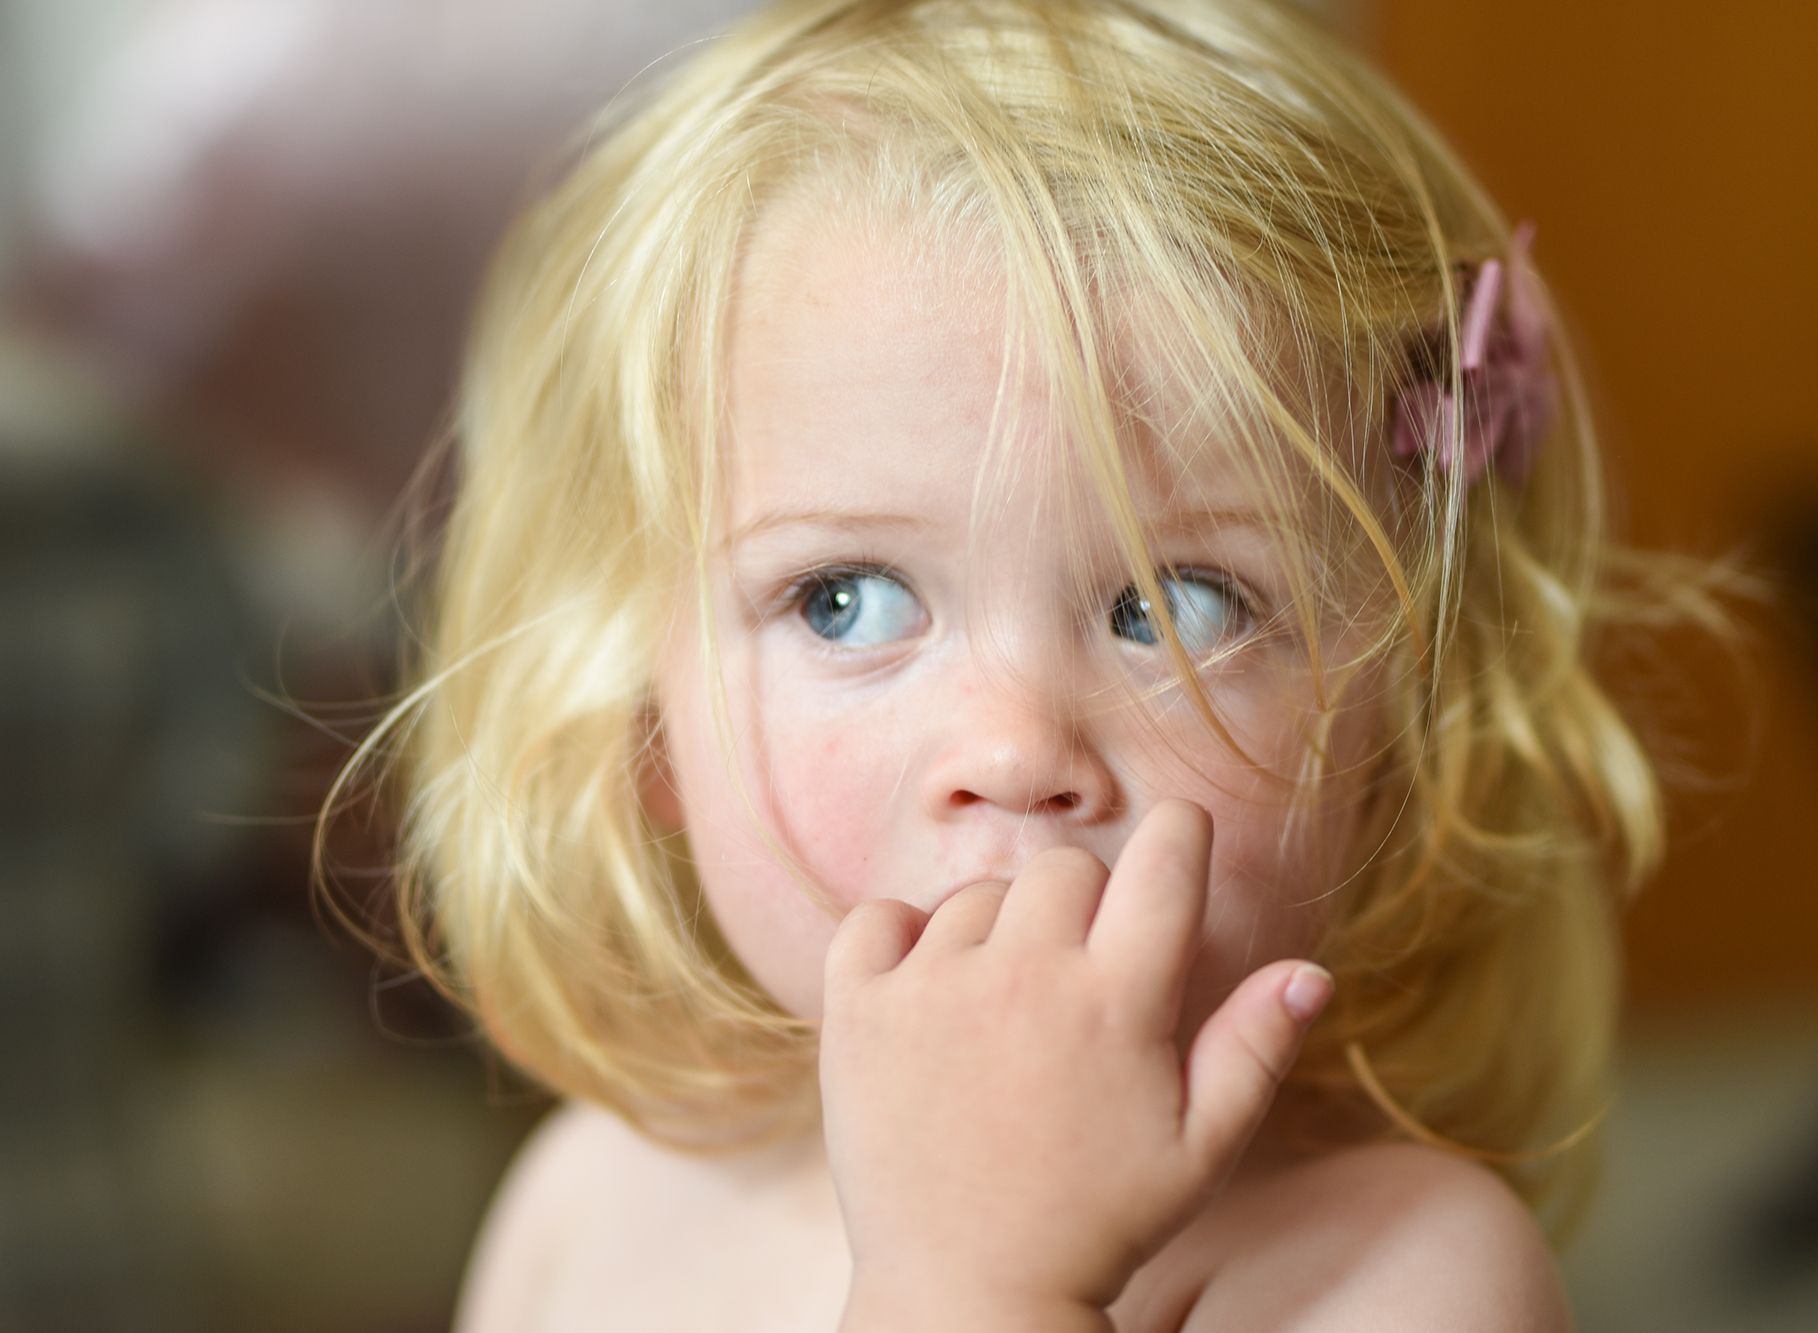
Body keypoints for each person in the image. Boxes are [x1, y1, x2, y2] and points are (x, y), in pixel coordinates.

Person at [322, 1, 1743, 1327]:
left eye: (1179, 604)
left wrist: (977, 1285)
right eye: (844, 602)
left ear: (1403, 711)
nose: (1012, 749)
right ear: (645, 720)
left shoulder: (1399, 1267)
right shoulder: (594, 1203)